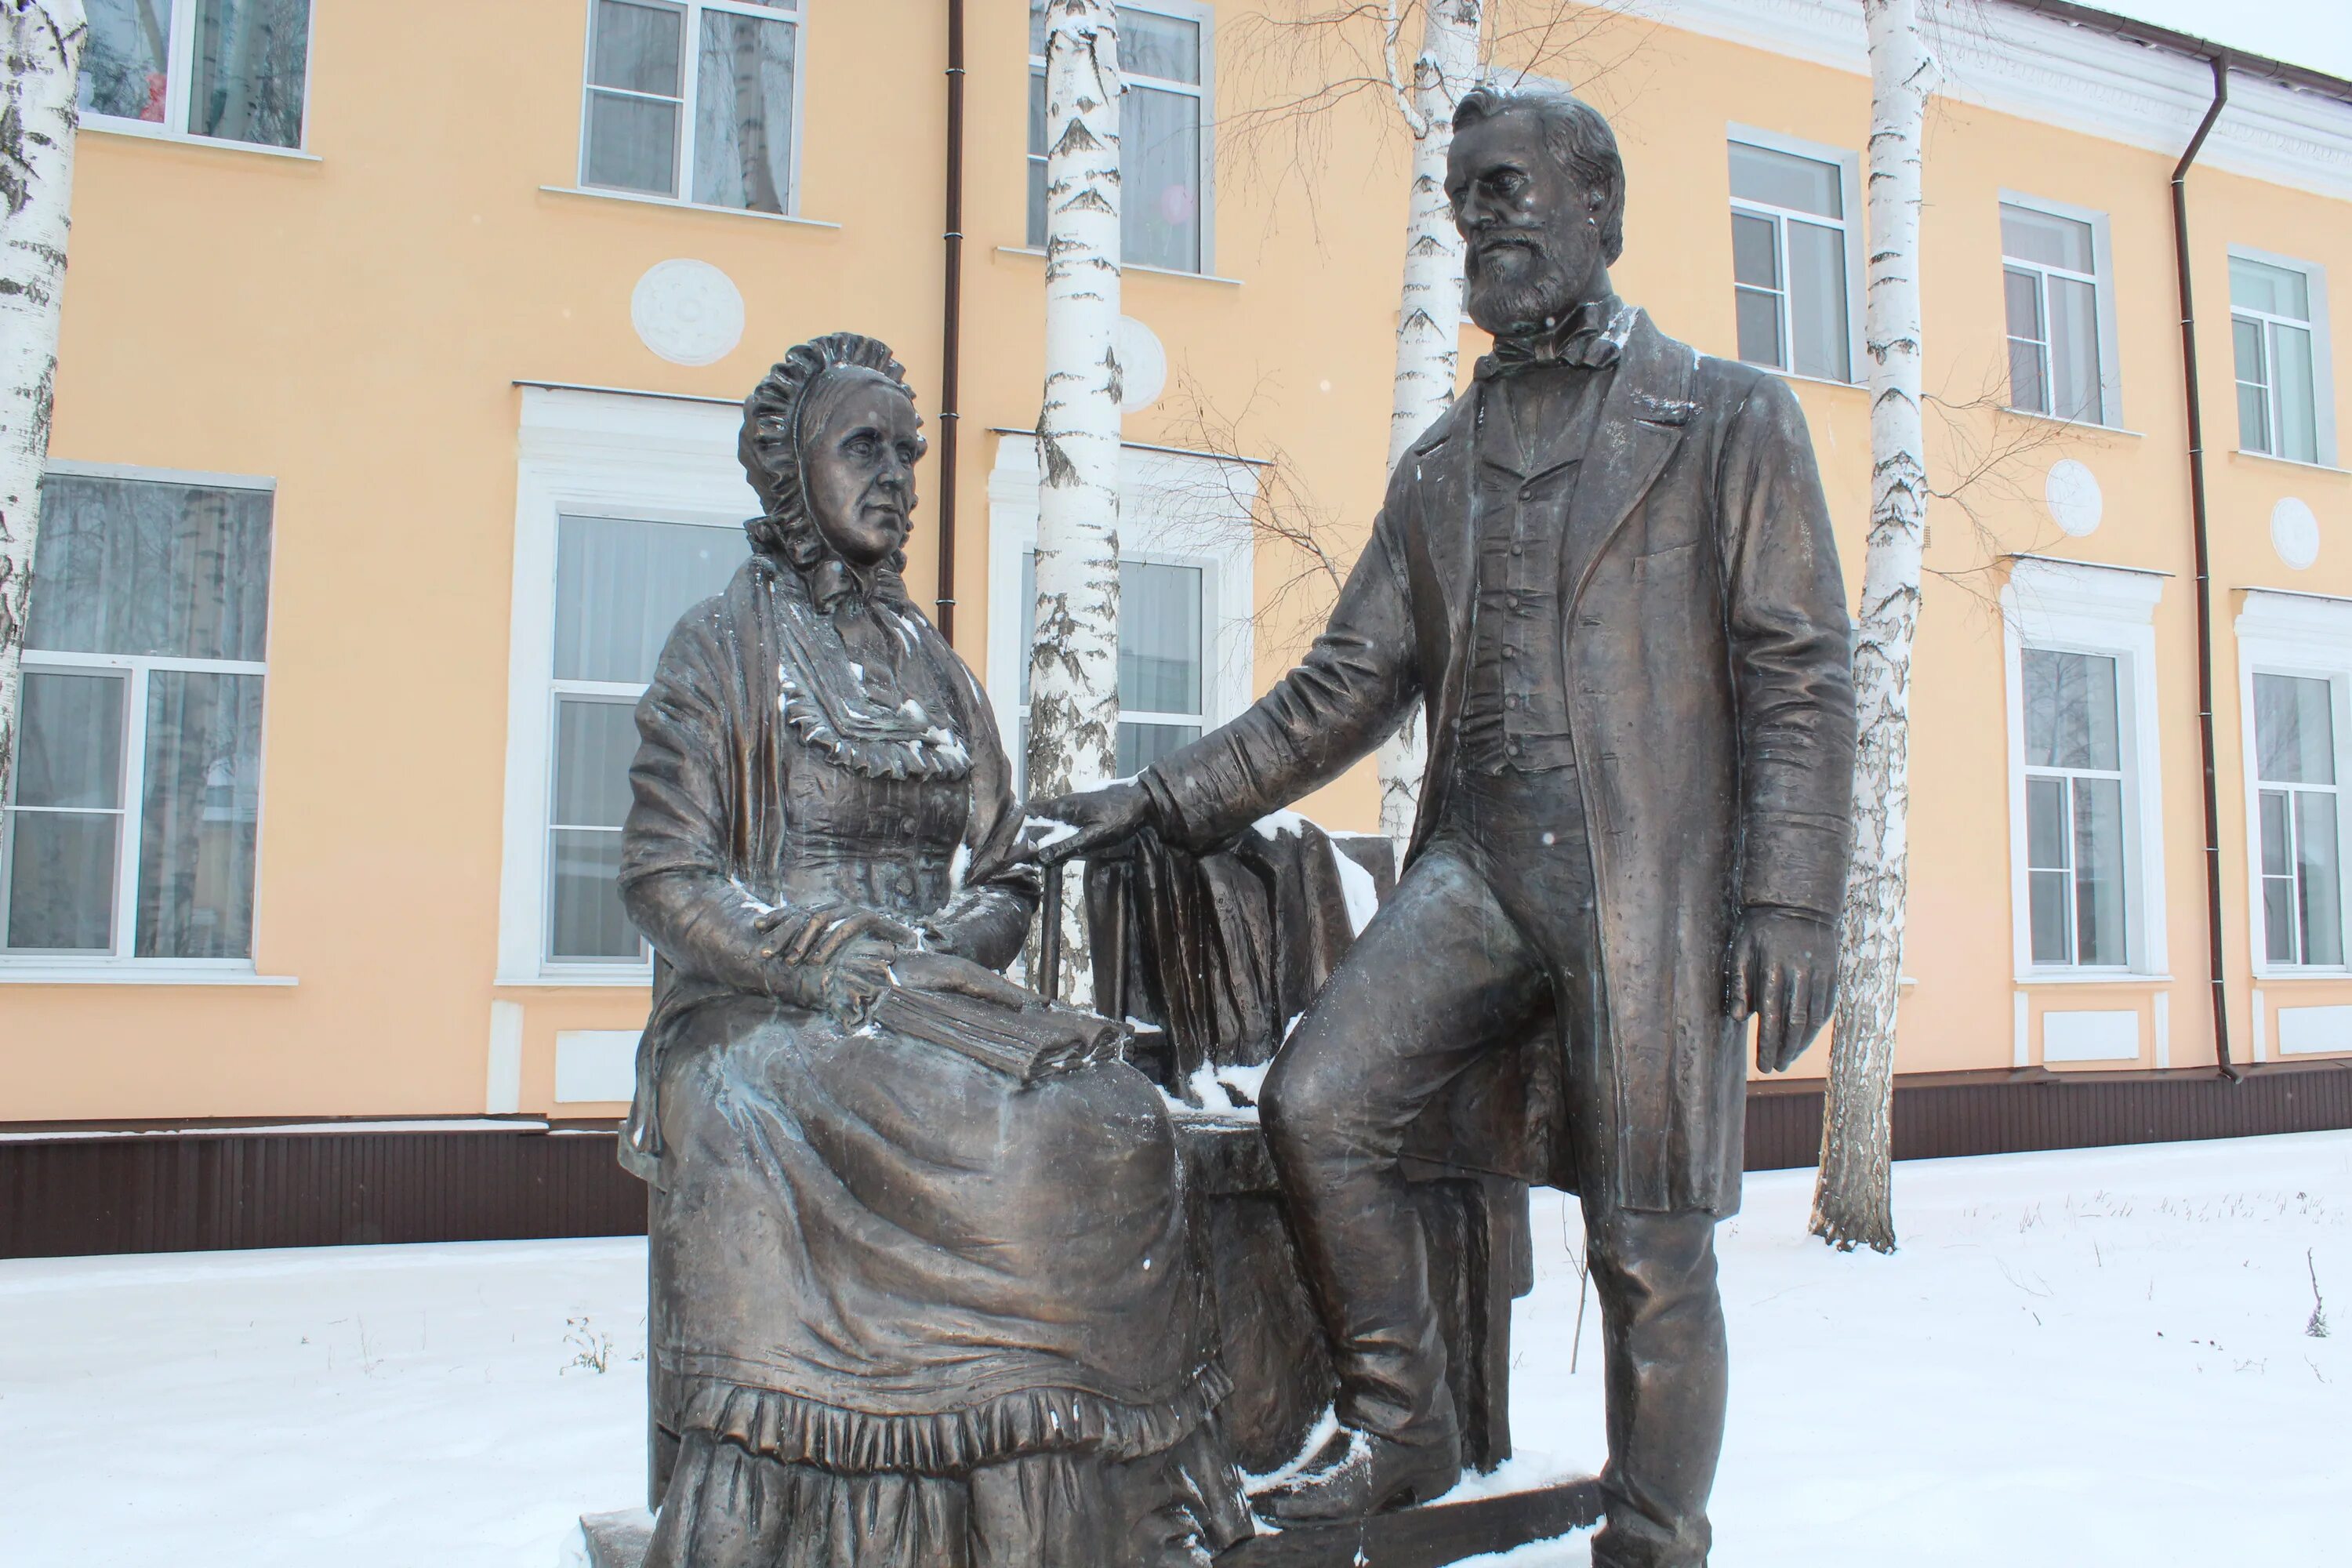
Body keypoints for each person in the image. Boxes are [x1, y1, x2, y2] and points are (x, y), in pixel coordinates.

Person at [1018, 86, 1857, 1568]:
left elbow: (1799, 671)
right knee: (1319, 1102)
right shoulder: (1440, 469)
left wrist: (1790, 900)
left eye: (1514, 188)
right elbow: (1337, 691)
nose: (1486, 218)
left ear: (1602, 210)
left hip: (1647, 890)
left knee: (1648, 1242)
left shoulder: (1731, 419)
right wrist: (1159, 799)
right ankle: (1401, 1419)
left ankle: (1658, 1536)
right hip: (1479, 868)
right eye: (1467, 196)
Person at [618, 333, 1248, 1568]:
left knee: (1115, 1116)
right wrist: (810, 957)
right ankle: (868, 1497)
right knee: (1019, 1150)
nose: (900, 474)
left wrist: (949, 942)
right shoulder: (720, 650)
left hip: (929, 1002)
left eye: (909, 452)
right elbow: (665, 876)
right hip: (766, 1013)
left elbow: (1007, 864)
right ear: (793, 475)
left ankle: (1067, 1497)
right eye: (866, 448)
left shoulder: (934, 672)